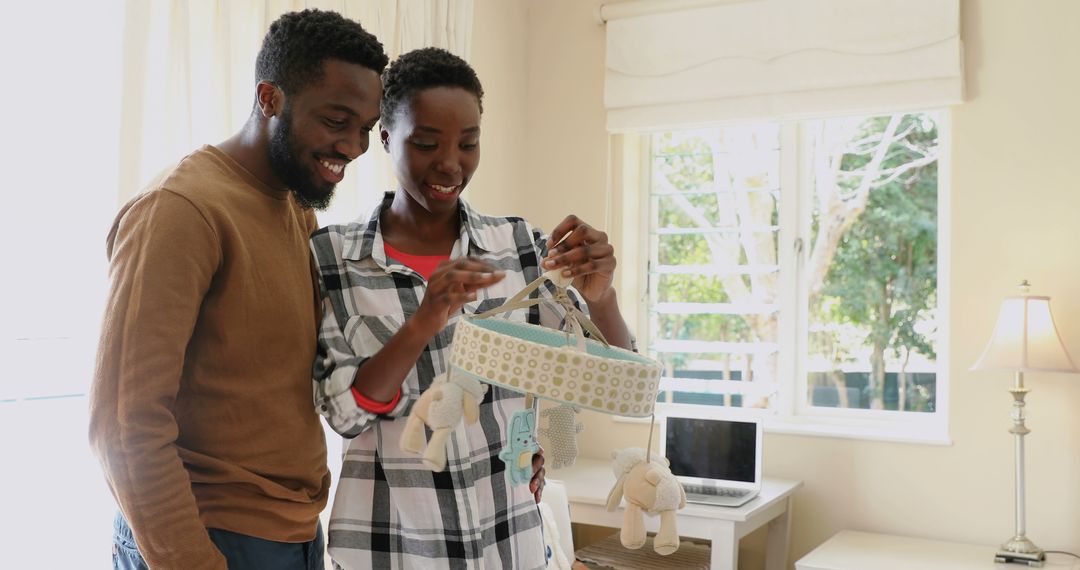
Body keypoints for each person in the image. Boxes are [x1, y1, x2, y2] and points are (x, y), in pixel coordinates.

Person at [310, 47, 633, 569]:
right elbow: (344, 416)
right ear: (387, 140)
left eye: (469, 143)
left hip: (509, 547)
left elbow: (614, 380)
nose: (450, 163)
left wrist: (603, 297)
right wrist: (424, 321)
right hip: (390, 549)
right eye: (427, 143)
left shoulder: (521, 246)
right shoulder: (333, 258)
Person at [88, 10, 388, 570]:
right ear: (269, 98)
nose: (353, 146)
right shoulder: (182, 212)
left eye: (366, 128)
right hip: (210, 535)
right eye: (336, 120)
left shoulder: (296, 207)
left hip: (294, 534)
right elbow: (124, 425)